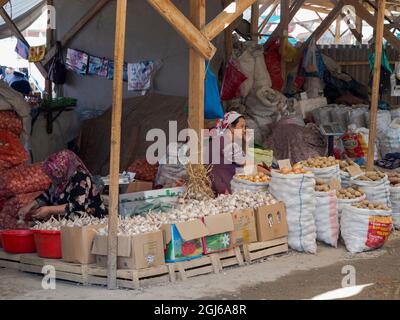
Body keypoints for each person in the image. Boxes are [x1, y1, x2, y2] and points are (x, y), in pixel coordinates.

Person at [18, 150, 106, 221]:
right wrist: (29, 207)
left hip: (89, 222)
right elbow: (47, 196)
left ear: (65, 167)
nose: (55, 175)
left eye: (57, 171)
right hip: (67, 224)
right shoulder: (60, 180)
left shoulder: (80, 178)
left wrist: (49, 210)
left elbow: (76, 206)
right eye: (53, 172)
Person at [208, 111, 253, 195]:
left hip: (214, 185)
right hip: (223, 189)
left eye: (245, 127)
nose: (244, 130)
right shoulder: (227, 143)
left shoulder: (219, 139)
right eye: (241, 126)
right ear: (231, 127)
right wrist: (246, 142)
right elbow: (243, 162)